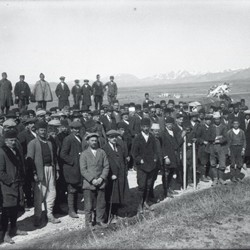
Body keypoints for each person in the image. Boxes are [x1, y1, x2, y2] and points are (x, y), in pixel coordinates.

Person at [26, 121, 60, 227]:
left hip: (51, 169)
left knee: (51, 193)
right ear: (37, 131)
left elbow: (54, 158)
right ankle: (38, 216)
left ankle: (49, 215)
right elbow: (29, 160)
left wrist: (57, 170)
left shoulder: (49, 142)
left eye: (45, 130)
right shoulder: (33, 143)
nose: (43, 132)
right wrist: (34, 173)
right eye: (41, 130)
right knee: (39, 195)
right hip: (40, 171)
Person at [0, 130, 27, 244]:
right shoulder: (2, 152)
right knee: (7, 210)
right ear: (6, 141)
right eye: (11, 140)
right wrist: (10, 181)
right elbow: (0, 171)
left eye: (15, 140)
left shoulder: (15, 150)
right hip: (7, 186)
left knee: (15, 208)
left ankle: (14, 228)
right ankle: (5, 234)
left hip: (17, 184)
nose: (13, 142)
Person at [80, 133, 109, 229]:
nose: (94, 142)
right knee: (89, 205)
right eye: (92, 141)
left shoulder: (101, 152)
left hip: (101, 183)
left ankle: (99, 220)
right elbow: (83, 170)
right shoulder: (84, 154)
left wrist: (101, 178)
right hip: (89, 184)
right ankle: (88, 223)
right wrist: (92, 180)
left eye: (95, 141)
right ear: (88, 142)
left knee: (101, 203)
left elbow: (106, 166)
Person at [102, 130, 129, 224]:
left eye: (115, 137)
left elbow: (123, 160)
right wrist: (110, 175)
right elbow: (104, 164)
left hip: (120, 174)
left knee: (119, 194)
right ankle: (110, 215)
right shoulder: (105, 148)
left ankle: (116, 213)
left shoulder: (119, 147)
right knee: (111, 196)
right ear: (108, 138)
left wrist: (125, 171)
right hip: (112, 176)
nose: (114, 139)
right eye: (112, 137)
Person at [132, 118, 157, 214]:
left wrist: (155, 159)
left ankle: (146, 202)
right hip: (142, 166)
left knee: (148, 185)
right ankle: (140, 205)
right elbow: (134, 153)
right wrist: (139, 160)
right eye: (144, 127)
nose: (146, 128)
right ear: (141, 127)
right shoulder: (137, 138)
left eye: (147, 126)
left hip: (151, 165)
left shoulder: (152, 137)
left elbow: (155, 150)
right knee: (142, 186)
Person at [60, 121, 83, 218]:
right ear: (71, 129)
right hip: (71, 169)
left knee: (77, 188)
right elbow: (63, 154)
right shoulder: (68, 139)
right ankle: (71, 210)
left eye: (78, 129)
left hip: (78, 168)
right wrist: (73, 161)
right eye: (74, 129)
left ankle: (77, 208)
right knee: (71, 189)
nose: (76, 131)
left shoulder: (80, 138)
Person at [208, 112, 228, 186]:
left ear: (220, 119)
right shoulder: (211, 127)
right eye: (215, 119)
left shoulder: (224, 127)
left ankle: (221, 178)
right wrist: (216, 138)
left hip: (221, 147)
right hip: (212, 147)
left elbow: (226, 137)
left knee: (222, 164)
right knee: (213, 163)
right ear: (214, 119)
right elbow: (208, 137)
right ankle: (215, 178)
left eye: (218, 119)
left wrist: (220, 140)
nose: (217, 120)